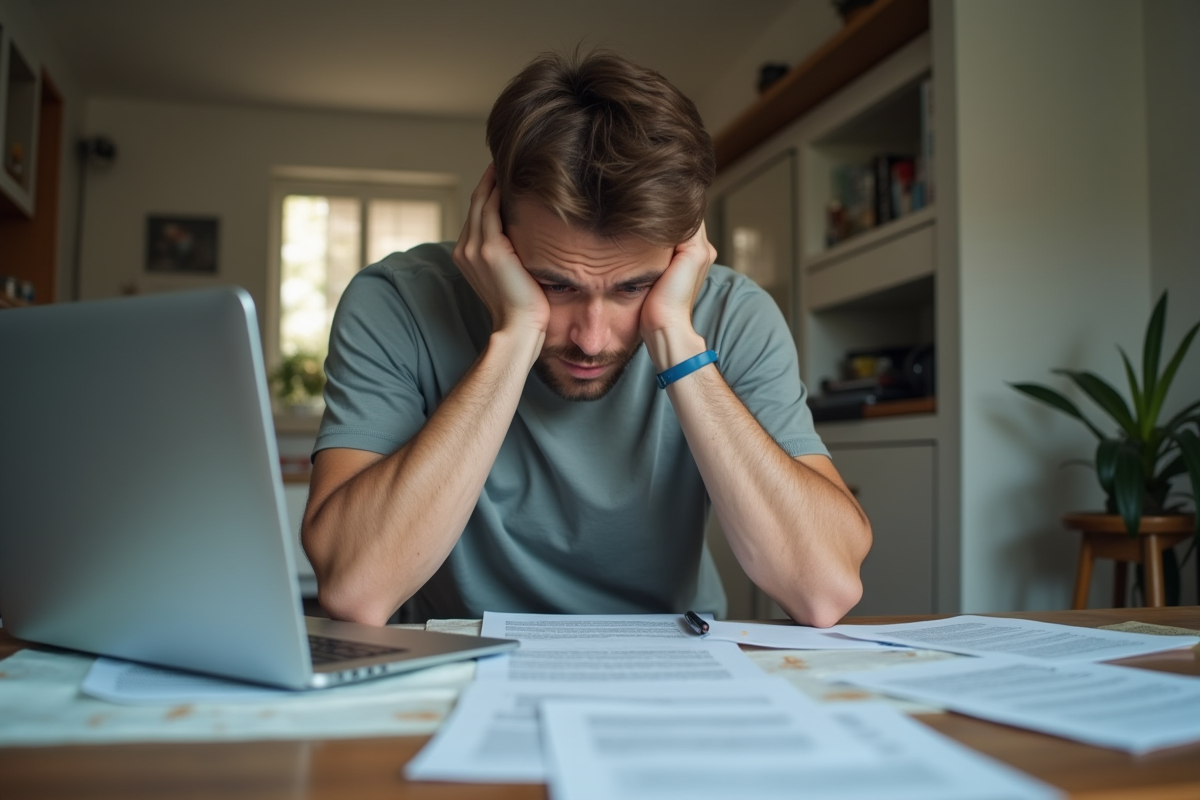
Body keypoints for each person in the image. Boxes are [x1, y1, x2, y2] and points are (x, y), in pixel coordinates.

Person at [301, 50, 871, 628]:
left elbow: (822, 590)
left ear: (683, 253)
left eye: (634, 288)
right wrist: (515, 333)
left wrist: (675, 338)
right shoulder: (396, 302)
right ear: (493, 229)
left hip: (678, 666)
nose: (592, 340)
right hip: (454, 665)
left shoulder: (733, 314)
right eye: (554, 284)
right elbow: (356, 589)